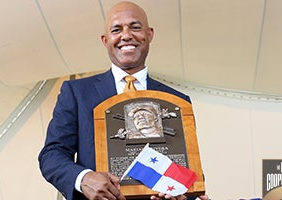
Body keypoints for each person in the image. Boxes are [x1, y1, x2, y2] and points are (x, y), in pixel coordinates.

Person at [38, 1, 209, 200]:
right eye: (116, 29)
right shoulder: (76, 92)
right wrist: (83, 178)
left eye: (135, 27)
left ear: (149, 34)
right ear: (105, 39)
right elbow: (51, 155)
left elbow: (187, 168)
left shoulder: (178, 102)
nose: (126, 35)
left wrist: (184, 195)